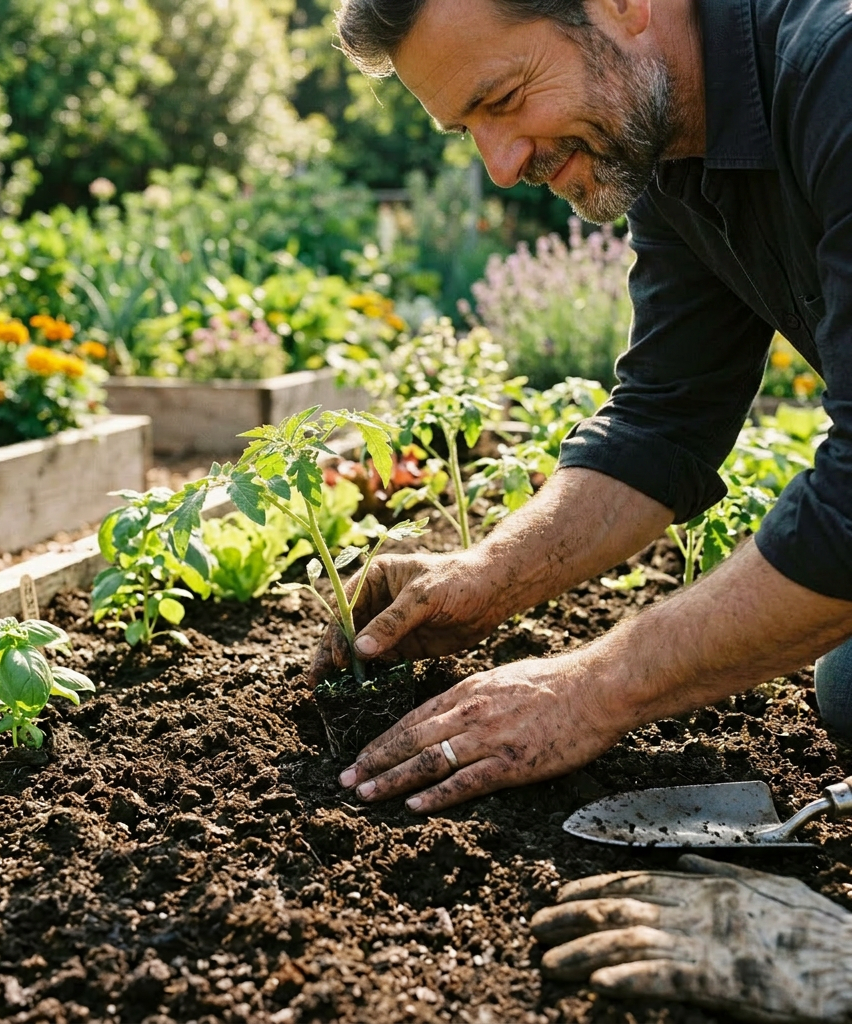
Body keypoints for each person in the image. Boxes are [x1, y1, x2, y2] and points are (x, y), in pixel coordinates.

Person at [309, 0, 852, 1016]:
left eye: (504, 100)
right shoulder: (676, 145)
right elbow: (664, 422)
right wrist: (488, 576)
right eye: (467, 130)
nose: (502, 164)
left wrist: (592, 689)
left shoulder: (836, 68)